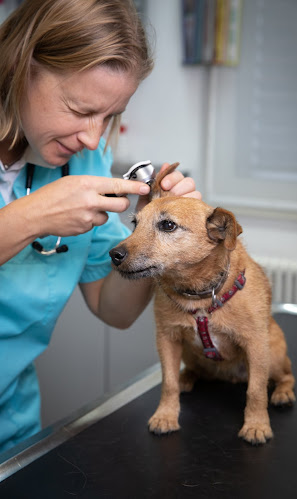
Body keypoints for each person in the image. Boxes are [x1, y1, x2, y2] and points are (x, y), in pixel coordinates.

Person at [0, 0, 201, 453]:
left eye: (109, 116)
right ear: (19, 67)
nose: (92, 137)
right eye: (78, 108)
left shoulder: (82, 159)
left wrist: (157, 237)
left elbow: (116, 310)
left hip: (10, 428)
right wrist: (31, 217)